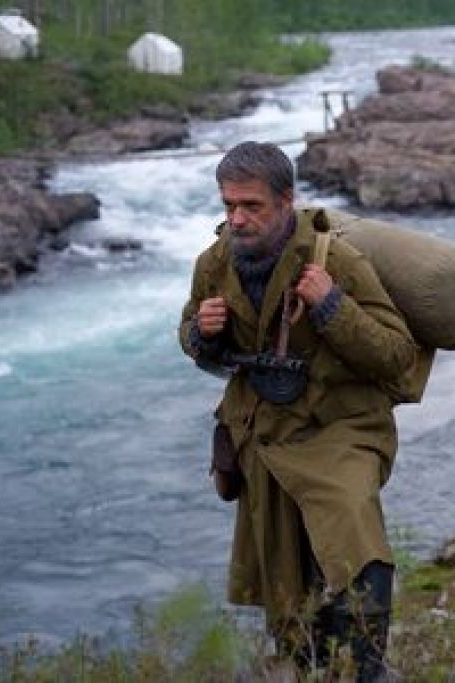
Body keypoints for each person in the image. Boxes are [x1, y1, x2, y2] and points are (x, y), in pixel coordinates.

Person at [179, 141, 420, 681]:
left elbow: (396, 355)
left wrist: (333, 306)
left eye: (251, 206)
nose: (237, 220)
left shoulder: (337, 262)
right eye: (228, 206)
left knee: (356, 539)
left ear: (286, 201)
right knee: (284, 580)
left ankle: (368, 668)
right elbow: (191, 338)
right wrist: (203, 332)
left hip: (340, 427)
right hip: (261, 436)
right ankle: (307, 665)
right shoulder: (214, 264)